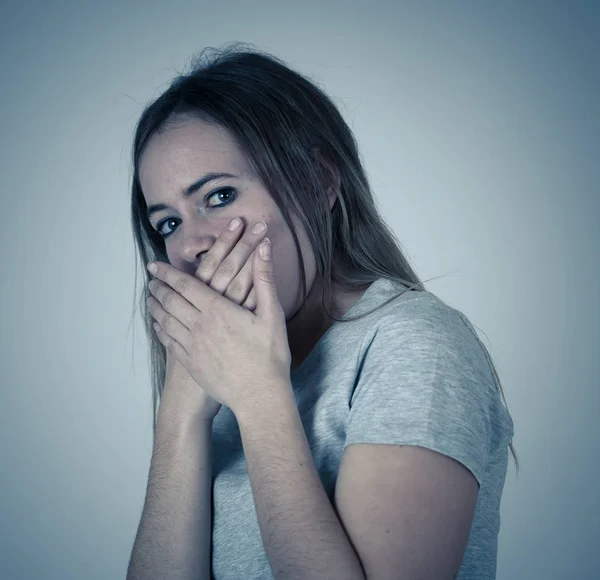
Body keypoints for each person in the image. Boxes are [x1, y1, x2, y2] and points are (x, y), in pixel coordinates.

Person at [126, 42, 518, 580]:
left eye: (218, 196)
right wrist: (179, 414)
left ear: (319, 182)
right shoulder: (215, 383)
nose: (190, 243)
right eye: (167, 223)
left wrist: (261, 400)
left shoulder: (415, 345)